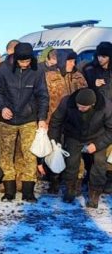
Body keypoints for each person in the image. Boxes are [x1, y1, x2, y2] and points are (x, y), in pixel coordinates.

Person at [0, 42, 49, 202]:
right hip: (7, 119)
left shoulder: (37, 70)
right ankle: (9, 191)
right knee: (6, 155)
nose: (25, 64)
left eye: (27, 61)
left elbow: (43, 95)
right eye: (22, 61)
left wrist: (42, 118)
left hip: (28, 119)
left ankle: (28, 191)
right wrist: (2, 107)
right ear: (15, 58)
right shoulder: (3, 68)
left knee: (30, 155)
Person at [49, 88, 112, 208]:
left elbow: (111, 130)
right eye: (78, 106)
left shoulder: (106, 106)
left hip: (97, 136)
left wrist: (97, 145)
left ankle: (94, 192)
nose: (79, 109)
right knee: (71, 162)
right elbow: (56, 121)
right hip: (74, 135)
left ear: (92, 104)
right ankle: (70, 188)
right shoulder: (67, 102)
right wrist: (54, 141)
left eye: (83, 107)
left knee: (99, 163)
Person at [42, 51, 88, 193]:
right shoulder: (49, 76)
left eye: (74, 61)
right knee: (55, 150)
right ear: (62, 60)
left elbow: (85, 97)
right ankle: (54, 181)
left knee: (75, 154)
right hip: (54, 120)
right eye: (69, 61)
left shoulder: (79, 76)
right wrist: (44, 119)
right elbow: (43, 98)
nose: (72, 64)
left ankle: (76, 182)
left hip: (75, 121)